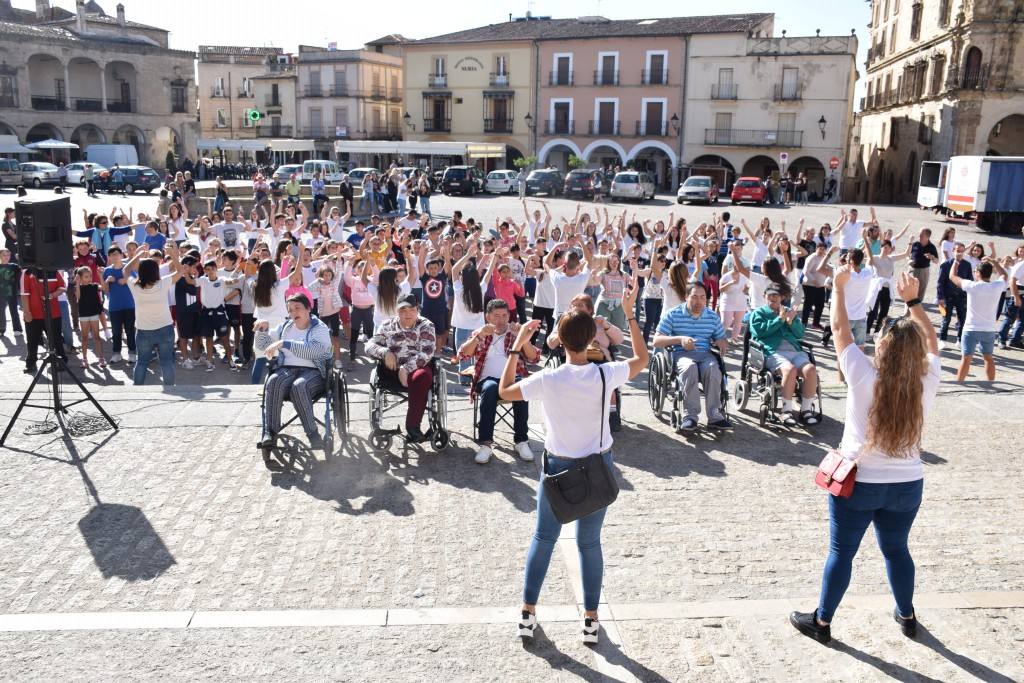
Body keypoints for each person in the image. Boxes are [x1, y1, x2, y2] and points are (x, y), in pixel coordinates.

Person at [790, 270, 940, 645]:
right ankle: (906, 615)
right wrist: (914, 303)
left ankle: (822, 623)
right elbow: (933, 341)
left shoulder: (862, 374)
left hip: (858, 483)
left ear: (885, 347)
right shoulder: (927, 378)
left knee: (842, 552)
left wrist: (839, 289)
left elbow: (840, 328)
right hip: (907, 483)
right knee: (896, 549)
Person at [500, 280, 647, 645]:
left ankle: (527, 613)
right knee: (589, 544)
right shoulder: (604, 373)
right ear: (592, 339)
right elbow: (642, 359)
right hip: (598, 466)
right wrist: (629, 314)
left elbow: (504, 392)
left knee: (543, 538)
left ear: (561, 342)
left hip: (558, 467)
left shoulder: (549, 379)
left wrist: (518, 348)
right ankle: (591, 621)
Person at [459, 299, 539, 464]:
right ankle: (486, 444)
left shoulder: (515, 332)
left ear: (509, 316)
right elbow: (463, 354)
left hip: (511, 379)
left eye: (504, 315)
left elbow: (534, 358)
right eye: (496, 316)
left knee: (522, 386)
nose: (501, 320)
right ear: (488, 317)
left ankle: (521, 440)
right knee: (490, 387)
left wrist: (522, 339)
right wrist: (479, 336)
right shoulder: (481, 332)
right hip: (486, 379)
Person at [255, 293, 334, 449]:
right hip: (287, 369)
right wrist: (262, 330)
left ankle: (313, 434)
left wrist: (286, 344)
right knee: (273, 381)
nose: (293, 313)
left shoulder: (319, 328)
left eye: (297, 308)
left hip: (314, 371)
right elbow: (262, 345)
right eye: (290, 310)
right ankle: (269, 433)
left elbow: (316, 351)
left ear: (308, 309)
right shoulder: (285, 327)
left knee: (299, 386)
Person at [653, 281, 730, 431]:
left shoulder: (712, 317)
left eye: (702, 297)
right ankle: (690, 416)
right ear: (686, 297)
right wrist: (679, 340)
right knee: (690, 368)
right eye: (694, 297)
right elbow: (656, 340)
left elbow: (721, 338)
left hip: (705, 354)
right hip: (680, 354)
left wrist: (721, 342)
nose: (699, 301)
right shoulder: (673, 314)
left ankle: (714, 415)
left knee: (714, 369)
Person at [364, 293, 436, 442]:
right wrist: (385, 352)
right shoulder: (387, 325)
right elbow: (369, 345)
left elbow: (427, 352)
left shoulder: (426, 325)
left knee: (423, 377)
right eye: (403, 310)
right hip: (392, 368)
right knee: (382, 369)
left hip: (417, 367)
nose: (407, 313)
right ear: (397, 311)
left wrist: (407, 368)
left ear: (417, 309)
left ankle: (413, 427)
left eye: (411, 309)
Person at [749, 282, 820, 426]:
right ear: (764, 296)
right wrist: (779, 320)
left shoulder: (789, 311)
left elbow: (800, 333)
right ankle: (786, 411)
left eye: (776, 295)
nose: (773, 298)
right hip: (771, 351)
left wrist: (791, 322)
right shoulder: (758, 313)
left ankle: (806, 411)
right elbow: (760, 332)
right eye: (770, 295)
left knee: (810, 370)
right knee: (790, 370)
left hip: (794, 350)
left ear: (781, 297)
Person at [130, 244, 183, 386]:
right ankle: (170, 389)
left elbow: (125, 270)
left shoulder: (134, 286)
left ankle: (137, 389)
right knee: (166, 362)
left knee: (141, 362)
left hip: (143, 331)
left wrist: (138, 255)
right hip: (165, 328)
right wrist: (172, 254)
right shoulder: (163, 283)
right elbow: (181, 270)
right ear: (156, 271)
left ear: (140, 272)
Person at [951, 258, 1008, 382]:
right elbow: (1004, 275)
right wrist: (994, 262)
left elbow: (952, 276)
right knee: (988, 358)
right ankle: (991, 384)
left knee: (966, 359)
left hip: (970, 329)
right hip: (989, 330)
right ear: (990, 273)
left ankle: (959, 384)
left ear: (978, 273)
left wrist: (956, 261)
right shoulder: (997, 286)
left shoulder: (972, 285)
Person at [102, 246, 137, 364]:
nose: (115, 256)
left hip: (129, 305)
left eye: (117, 253)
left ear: (122, 255)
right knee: (116, 331)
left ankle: (132, 353)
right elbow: (105, 290)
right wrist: (107, 281)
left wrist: (127, 280)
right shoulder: (107, 271)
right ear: (109, 257)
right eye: (112, 254)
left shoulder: (128, 269)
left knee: (130, 330)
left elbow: (137, 283)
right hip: (114, 306)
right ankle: (116, 353)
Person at [935, 242, 972, 344]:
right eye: (957, 251)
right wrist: (940, 297)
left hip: (961, 297)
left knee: (962, 319)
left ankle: (960, 340)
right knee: (945, 319)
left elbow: (970, 280)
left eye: (961, 251)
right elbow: (940, 282)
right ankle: (942, 340)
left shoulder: (967, 265)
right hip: (947, 297)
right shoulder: (946, 265)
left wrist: (969, 296)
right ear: (953, 251)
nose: (959, 253)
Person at [999, 249, 1024, 349]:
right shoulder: (1021, 265)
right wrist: (1016, 297)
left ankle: (1015, 340)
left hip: (1021, 291)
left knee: (1022, 319)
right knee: (1010, 317)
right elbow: (1012, 281)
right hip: (1017, 291)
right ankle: (1001, 340)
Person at [909, 228, 939, 300]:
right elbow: (908, 255)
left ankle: (916, 309)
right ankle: (907, 311)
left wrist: (932, 257)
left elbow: (937, 261)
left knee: (920, 293)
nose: (919, 236)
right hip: (912, 270)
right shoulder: (915, 244)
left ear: (927, 237)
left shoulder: (932, 247)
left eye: (921, 235)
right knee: (910, 292)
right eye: (919, 234)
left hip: (924, 271)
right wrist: (908, 260)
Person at [0, 248, 21, 337]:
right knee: (1, 311)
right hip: (1, 293)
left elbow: (22, 272)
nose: (6, 257)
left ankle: (17, 329)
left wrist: (19, 259)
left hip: (12, 292)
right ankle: (1, 329)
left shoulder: (14, 266)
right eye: (4, 255)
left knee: (14, 311)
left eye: (8, 255)